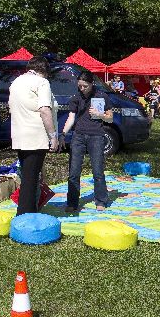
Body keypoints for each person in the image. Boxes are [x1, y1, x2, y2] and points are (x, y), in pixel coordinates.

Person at [8, 56, 58, 215]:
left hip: (19, 135)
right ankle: (25, 215)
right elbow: (45, 110)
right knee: (31, 180)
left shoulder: (16, 82)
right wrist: (53, 136)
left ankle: (25, 210)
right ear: (43, 71)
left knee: (28, 177)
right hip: (36, 137)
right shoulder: (42, 82)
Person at [59, 70, 113, 212]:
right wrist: (63, 134)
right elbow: (71, 117)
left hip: (96, 136)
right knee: (74, 172)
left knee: (98, 171)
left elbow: (110, 118)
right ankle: (72, 202)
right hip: (78, 136)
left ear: (92, 84)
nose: (82, 89)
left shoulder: (101, 96)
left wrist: (99, 114)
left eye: (85, 86)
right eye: (80, 86)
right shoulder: (76, 97)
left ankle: (101, 200)